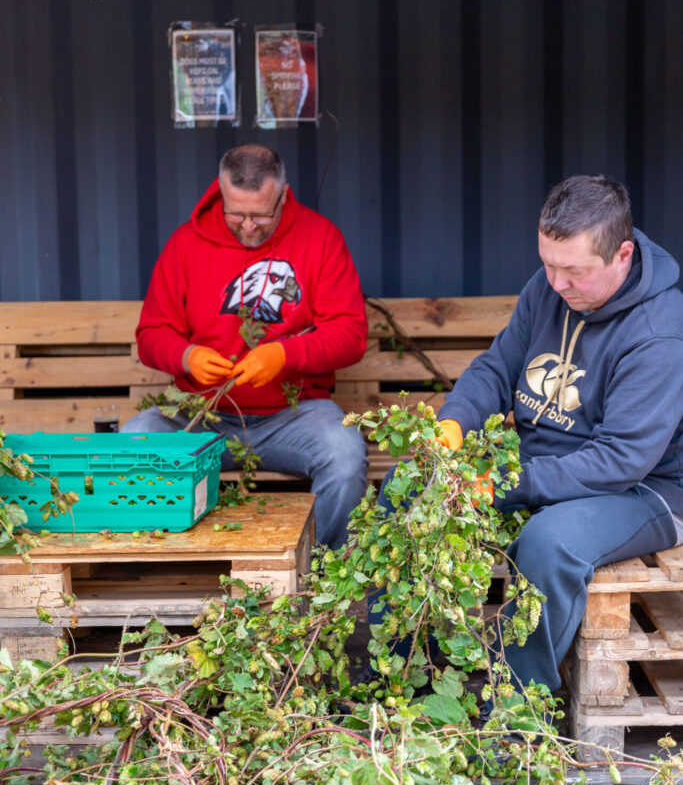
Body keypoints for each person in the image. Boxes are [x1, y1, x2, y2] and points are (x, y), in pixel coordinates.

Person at [415, 175, 682, 694]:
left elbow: (621, 459)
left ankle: (519, 709)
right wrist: (454, 422)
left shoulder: (659, 333)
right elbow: (497, 367)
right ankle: (402, 676)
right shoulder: (551, 288)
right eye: (548, 265)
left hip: (646, 489)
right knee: (410, 486)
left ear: (622, 254)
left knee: (549, 542)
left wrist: (501, 484)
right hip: (542, 464)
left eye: (574, 272)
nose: (557, 284)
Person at [123, 144, 368, 550]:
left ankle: (322, 581)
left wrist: (285, 356)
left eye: (261, 214)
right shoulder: (185, 244)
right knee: (133, 439)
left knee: (345, 455)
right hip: (202, 416)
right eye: (236, 213)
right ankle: (160, 564)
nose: (249, 226)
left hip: (293, 416)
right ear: (221, 194)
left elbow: (350, 333)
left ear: (283, 196)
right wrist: (187, 357)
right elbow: (151, 334)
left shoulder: (321, 238)